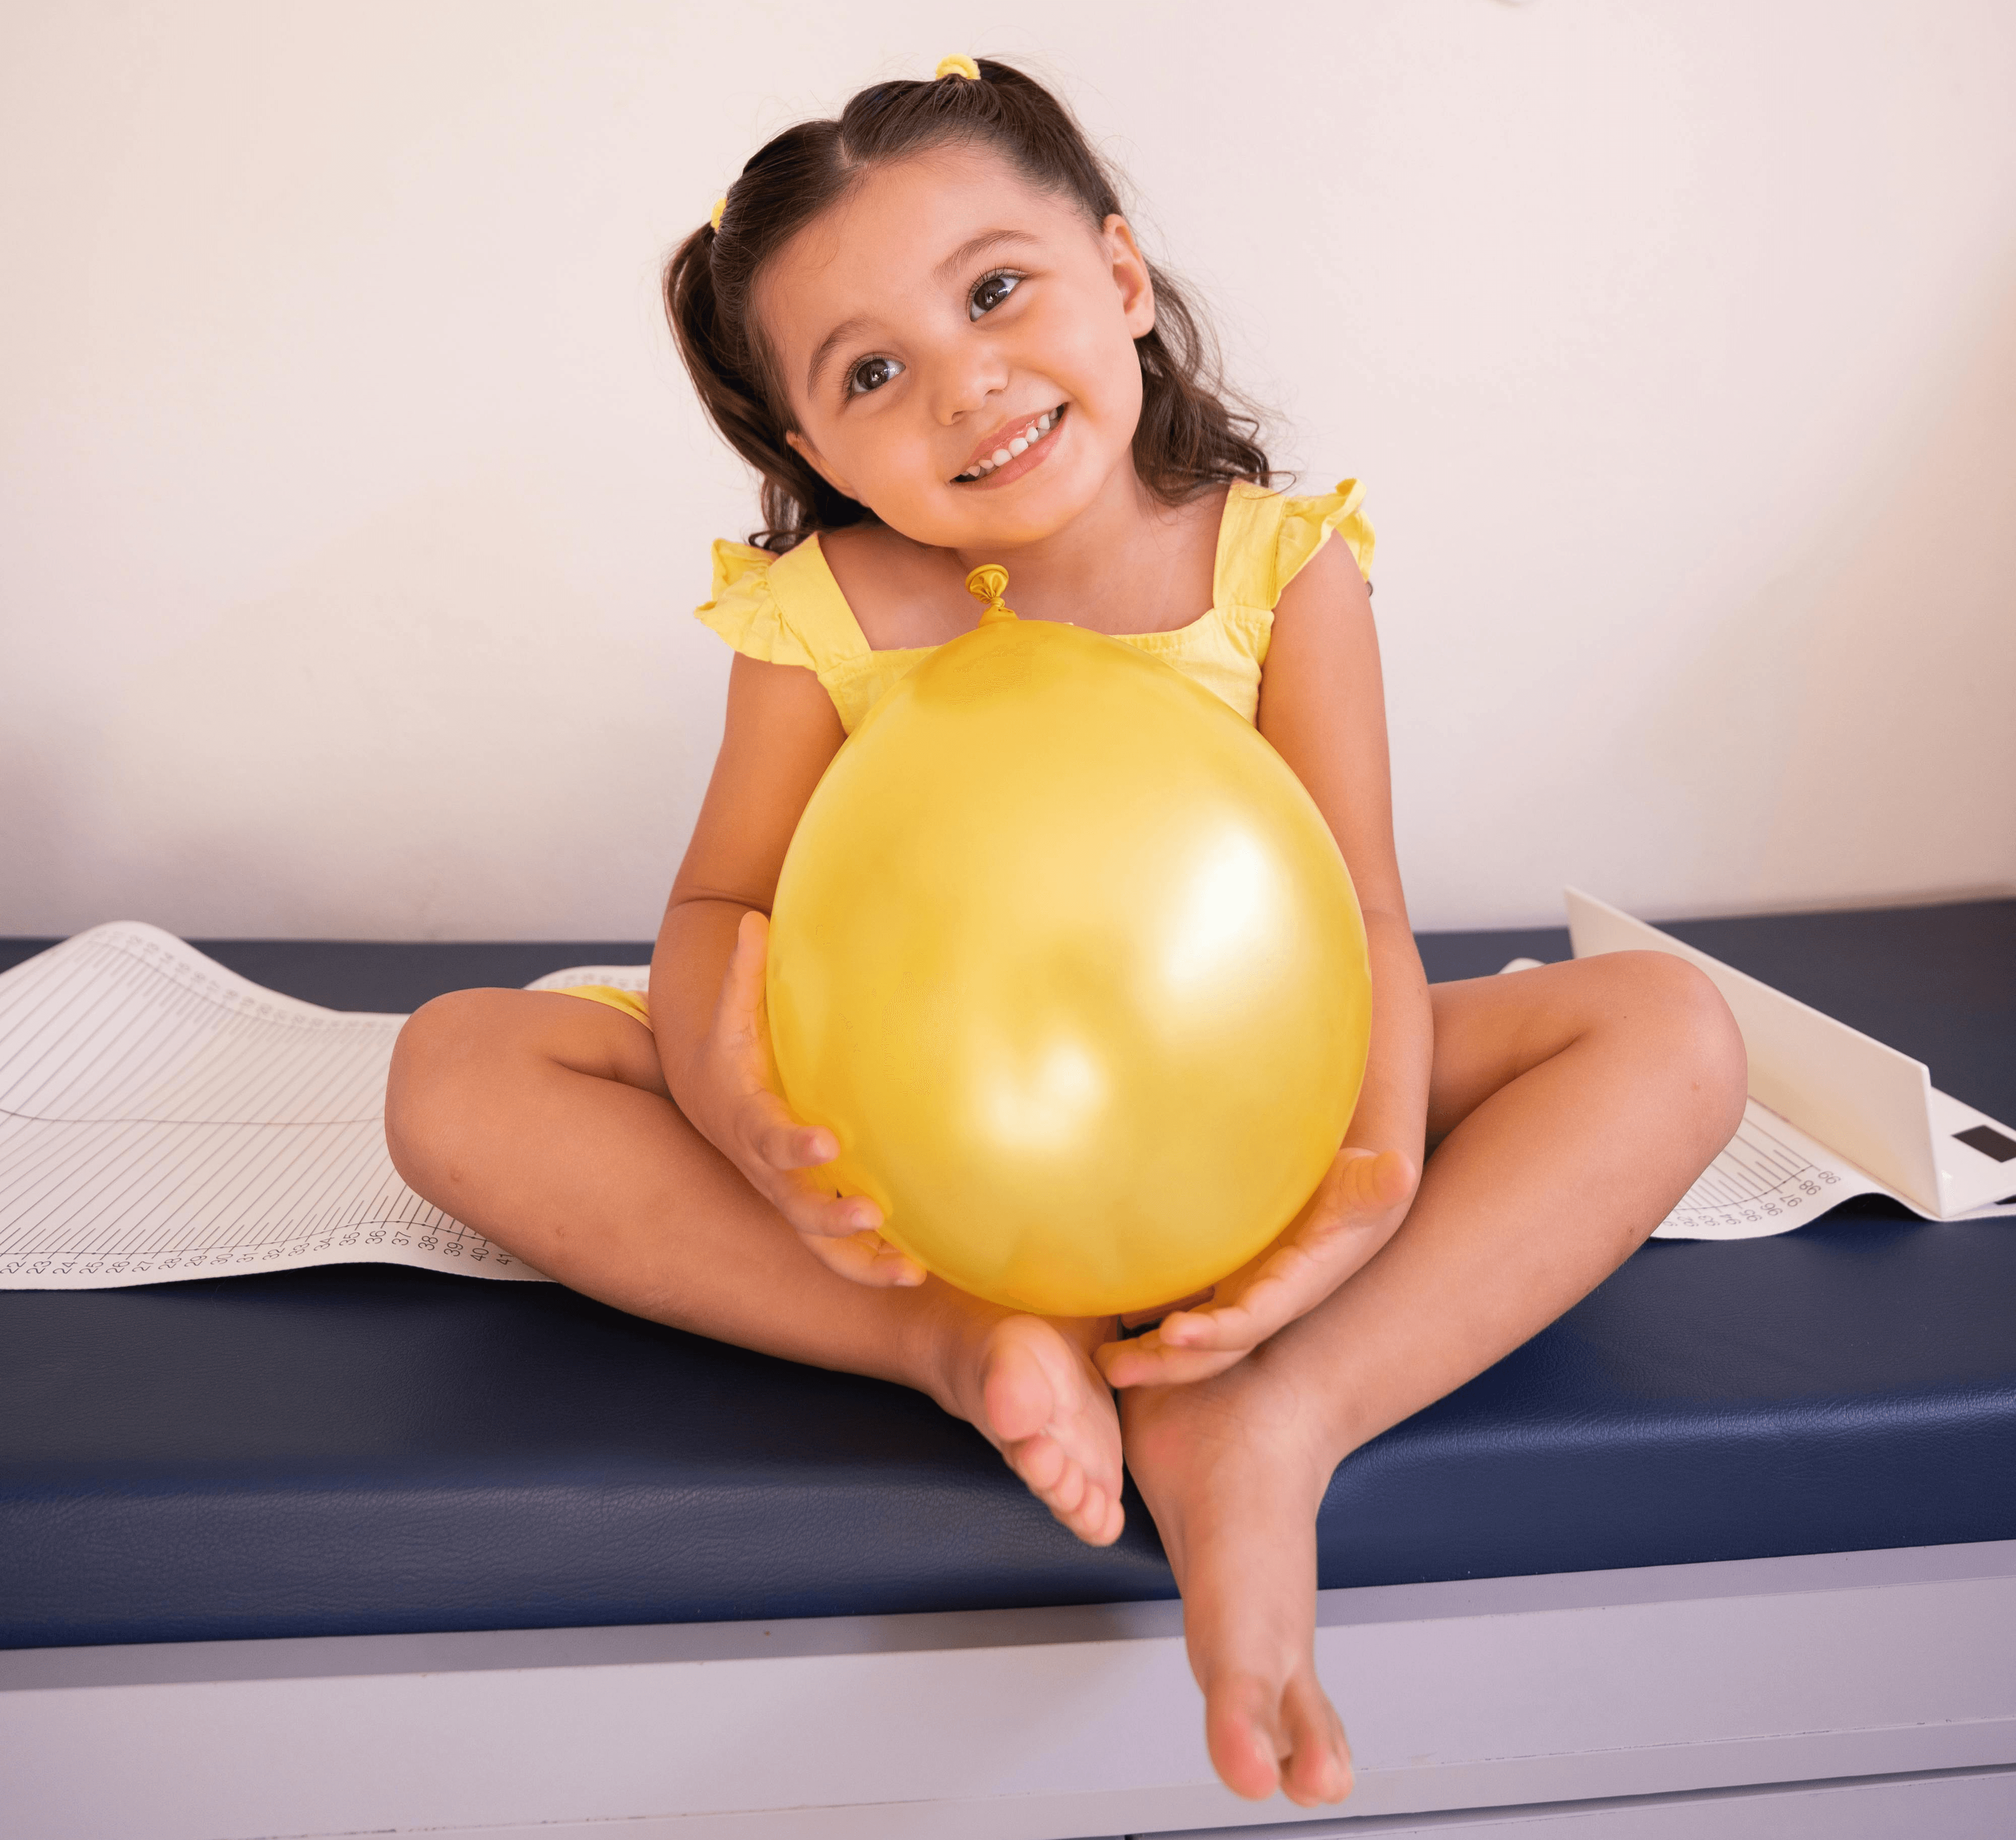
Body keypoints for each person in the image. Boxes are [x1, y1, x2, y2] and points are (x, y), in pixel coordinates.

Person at [385, 55, 1746, 1809]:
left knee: (1667, 1032)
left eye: (996, 290)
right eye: (873, 371)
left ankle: (1272, 1412)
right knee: (452, 1069)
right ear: (813, 448)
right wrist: (755, 1130)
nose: (966, 385)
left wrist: (1368, 1180)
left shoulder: (1277, 568)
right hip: (905, 1160)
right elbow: (720, 912)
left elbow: (1365, 923)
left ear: (1120, 278)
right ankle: (954, 1345)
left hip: (1248, 1116)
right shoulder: (825, 615)